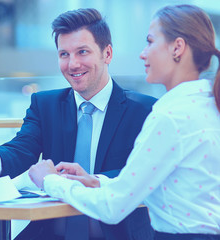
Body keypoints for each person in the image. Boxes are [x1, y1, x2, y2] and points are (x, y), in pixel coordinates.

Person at [29, 4, 220, 240]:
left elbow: (113, 207)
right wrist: (95, 181)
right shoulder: (207, 104)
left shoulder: (170, 116)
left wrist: (50, 181)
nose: (143, 53)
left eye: (150, 41)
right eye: (64, 54)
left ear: (177, 47)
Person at [0, 8, 156, 240]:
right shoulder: (44, 104)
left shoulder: (144, 111)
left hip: (117, 233)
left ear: (107, 54)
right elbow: (22, 149)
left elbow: (141, 175)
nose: (72, 64)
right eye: (64, 54)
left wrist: (93, 181)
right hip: (52, 232)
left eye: (82, 52)